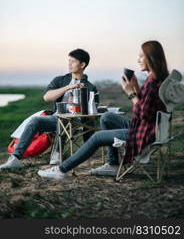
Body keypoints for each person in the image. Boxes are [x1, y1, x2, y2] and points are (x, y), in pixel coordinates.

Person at [37, 40, 169, 179]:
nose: (138, 60)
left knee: (97, 137)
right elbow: (145, 109)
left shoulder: (153, 83)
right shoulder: (157, 79)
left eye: (141, 56)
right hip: (150, 127)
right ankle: (113, 164)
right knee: (107, 117)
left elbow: (143, 114)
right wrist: (135, 87)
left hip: (145, 132)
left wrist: (130, 93)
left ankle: (61, 169)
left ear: (152, 58)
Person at [0, 48, 99, 169]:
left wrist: (79, 104)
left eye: (73, 61)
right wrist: (68, 87)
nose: (69, 64)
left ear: (82, 64)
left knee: (64, 122)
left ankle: (57, 155)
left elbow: (93, 113)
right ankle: (15, 158)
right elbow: (47, 97)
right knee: (35, 120)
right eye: (69, 61)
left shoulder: (90, 87)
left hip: (77, 122)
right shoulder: (60, 80)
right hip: (56, 118)